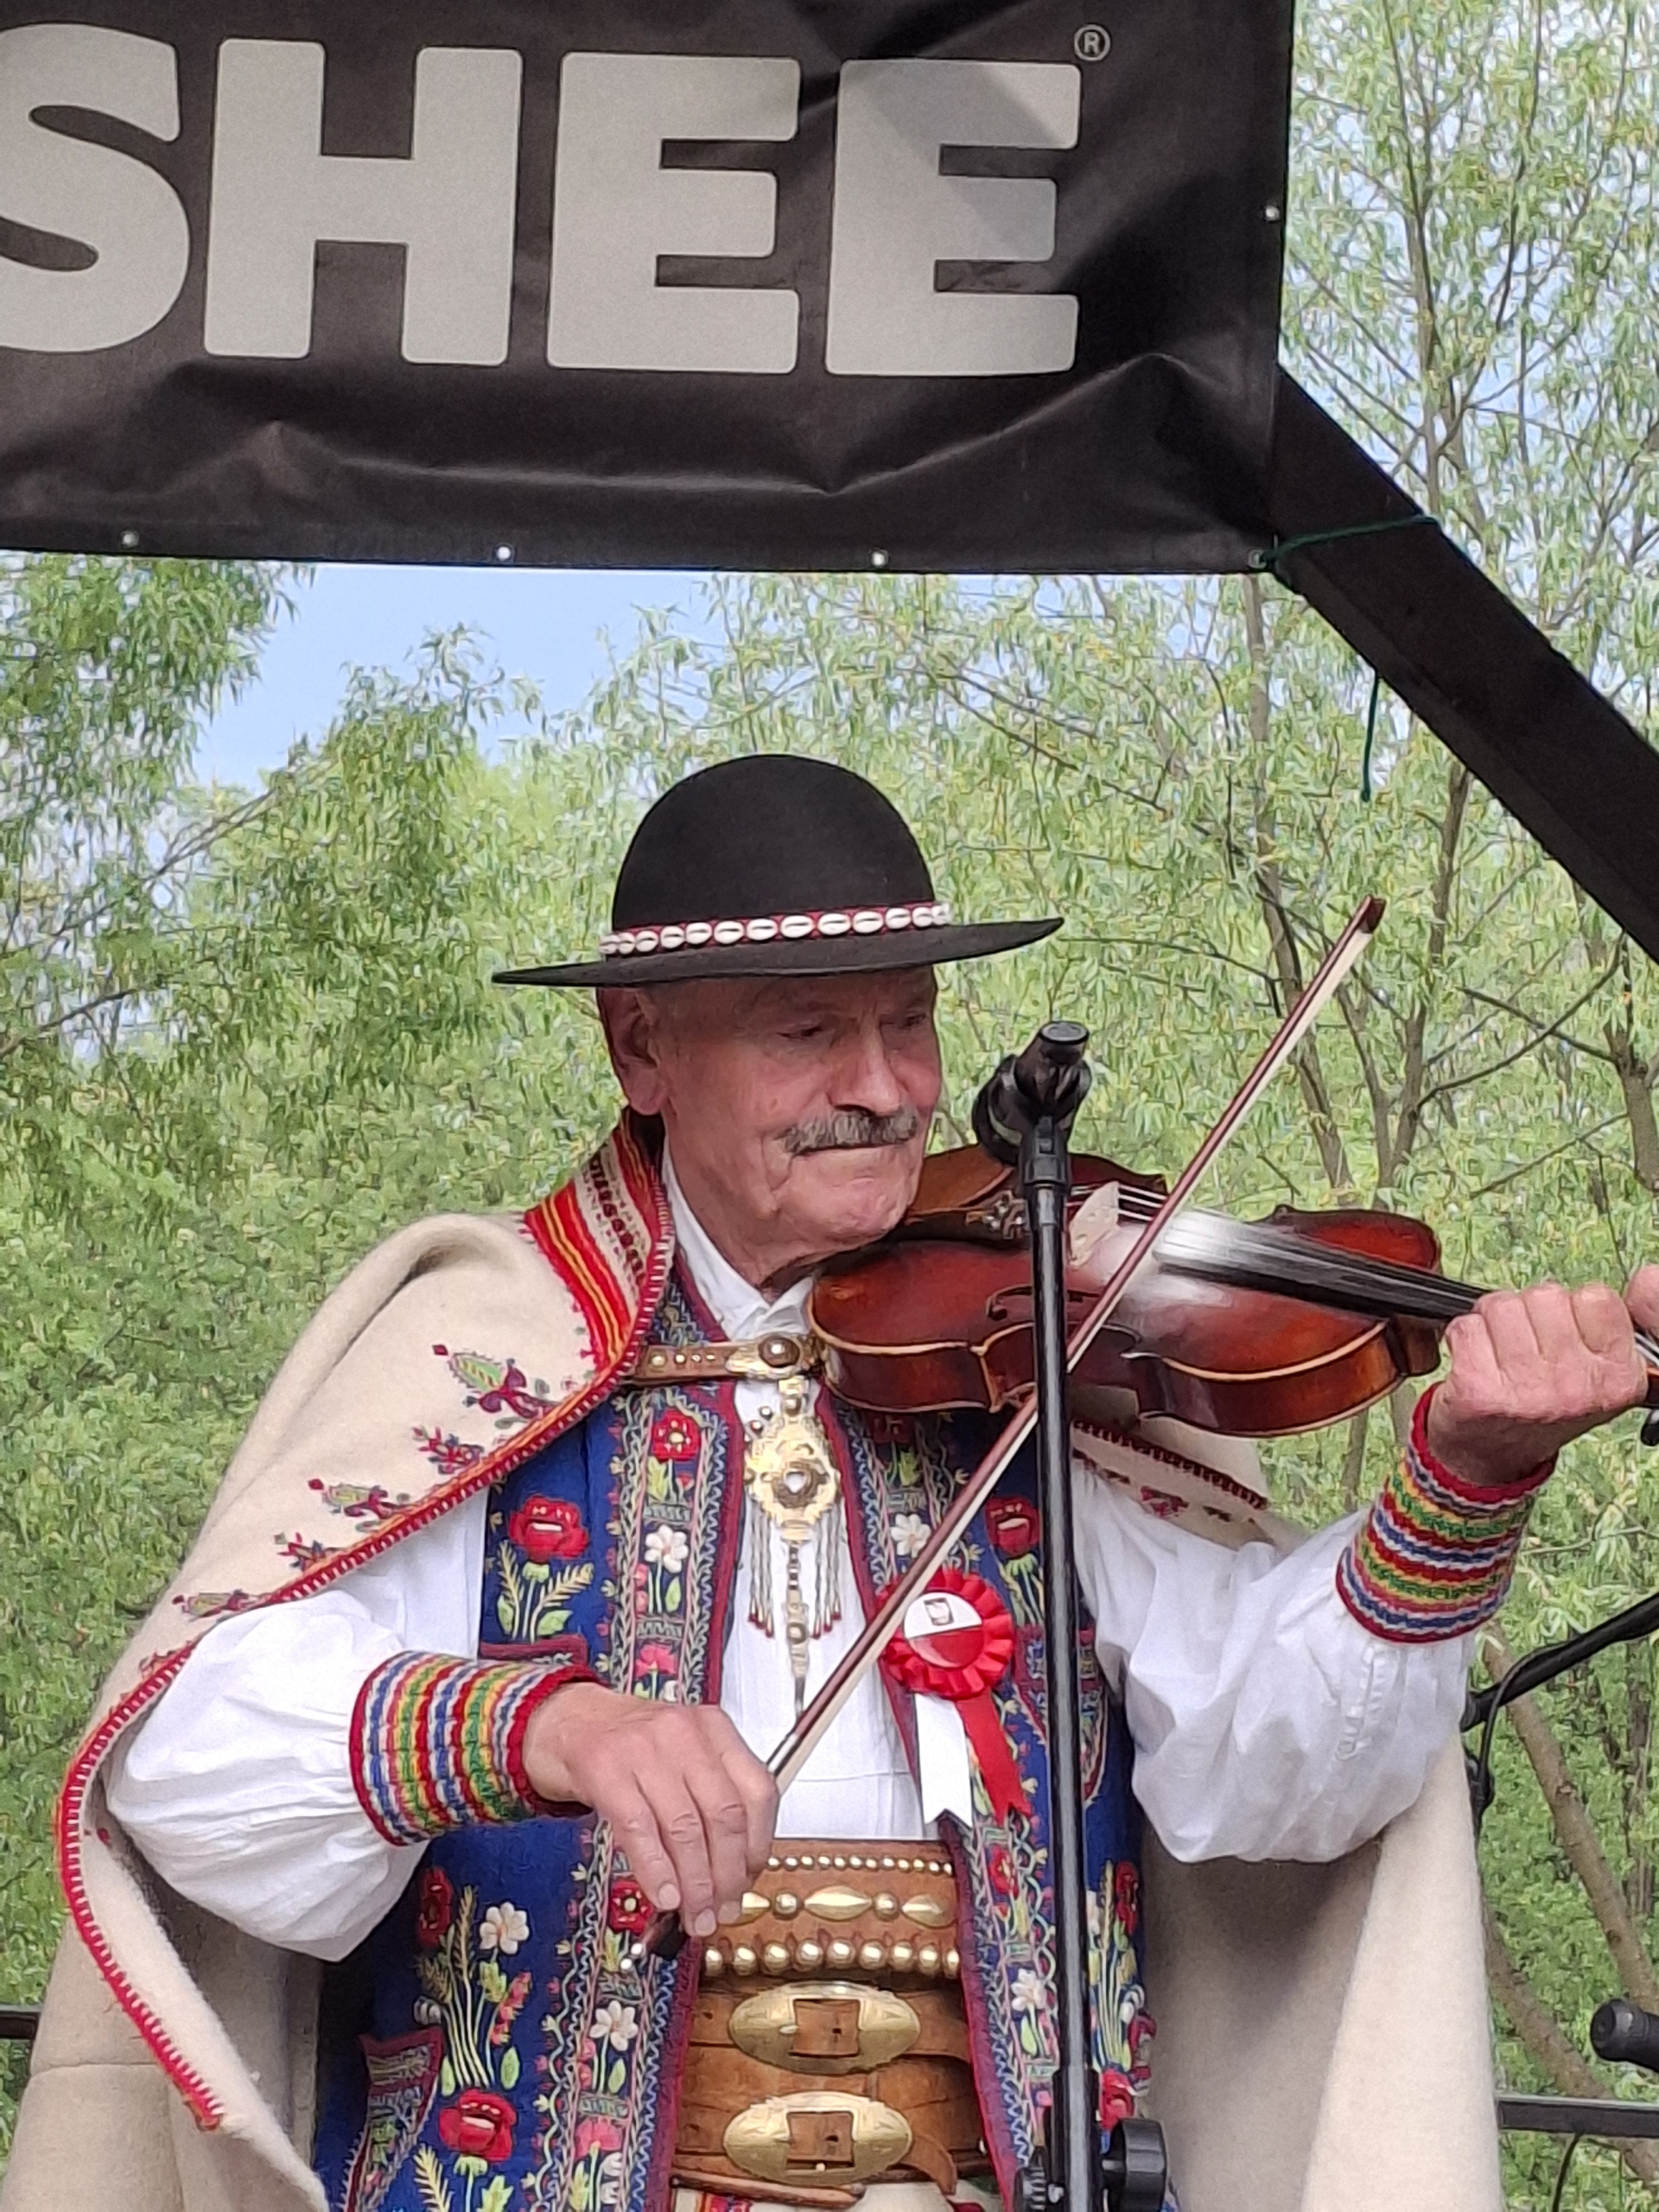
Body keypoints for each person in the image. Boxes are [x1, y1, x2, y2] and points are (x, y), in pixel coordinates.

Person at [8, 755, 1656, 2212]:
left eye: (910, 1020)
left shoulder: (1035, 1358)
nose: (890, 1087)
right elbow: (187, 1762)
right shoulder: (484, 1354)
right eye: (811, 1033)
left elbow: (1274, 1777)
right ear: (640, 1049)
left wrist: (1461, 1478)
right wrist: (545, 1725)